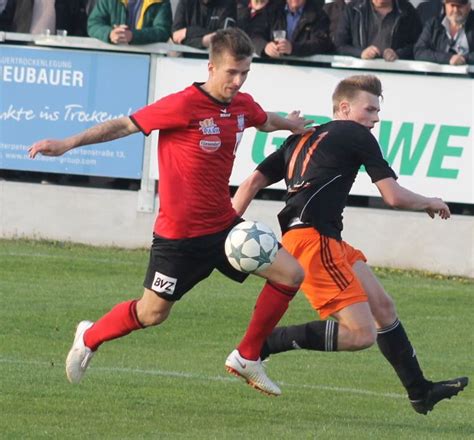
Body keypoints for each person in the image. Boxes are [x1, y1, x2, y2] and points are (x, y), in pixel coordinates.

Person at [28, 28, 314, 397]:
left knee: (290, 274)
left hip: (224, 228)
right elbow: (124, 125)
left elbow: (263, 119)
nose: (238, 80)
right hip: (179, 238)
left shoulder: (242, 104)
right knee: (152, 314)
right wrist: (67, 143)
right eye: (231, 72)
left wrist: (289, 124)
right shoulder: (183, 104)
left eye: (244, 73)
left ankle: (247, 356)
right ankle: (90, 335)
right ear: (211, 67)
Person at [232, 74, 469, 413]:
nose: (375, 119)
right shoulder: (356, 135)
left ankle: (420, 391)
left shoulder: (303, 136)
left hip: (319, 238)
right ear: (344, 107)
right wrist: (430, 201)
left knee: (382, 308)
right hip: (315, 241)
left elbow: (252, 181)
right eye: (369, 110)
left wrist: (225, 227)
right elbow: (393, 196)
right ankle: (257, 346)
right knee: (361, 335)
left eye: (377, 112)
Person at [334, 0, 422, 61]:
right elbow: (340, 45)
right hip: (359, 74)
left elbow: (418, 45)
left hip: (396, 74)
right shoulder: (353, 9)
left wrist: (398, 54)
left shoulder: (407, 10)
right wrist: (361, 53)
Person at [257, 0, 333, 58]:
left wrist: (293, 48)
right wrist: (265, 47)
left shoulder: (319, 15)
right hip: (272, 70)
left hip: (307, 71)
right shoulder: (272, 11)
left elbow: (321, 43)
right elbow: (254, 35)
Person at [414, 0, 474, 65]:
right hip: (438, 74)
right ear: (445, 5)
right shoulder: (433, 25)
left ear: (468, 7)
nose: (455, 10)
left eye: (460, 6)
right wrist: (448, 58)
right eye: (452, 5)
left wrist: (464, 59)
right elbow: (419, 51)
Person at [87, 0, 172, 45]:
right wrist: (110, 34)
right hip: (110, 57)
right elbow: (93, 24)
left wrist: (133, 36)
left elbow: (163, 31)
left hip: (145, 61)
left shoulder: (160, 2)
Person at [172, 0, 236, 49]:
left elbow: (225, 38)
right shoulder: (186, 2)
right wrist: (205, 41)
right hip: (185, 60)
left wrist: (188, 32)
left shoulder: (227, 3)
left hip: (215, 60)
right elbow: (176, 36)